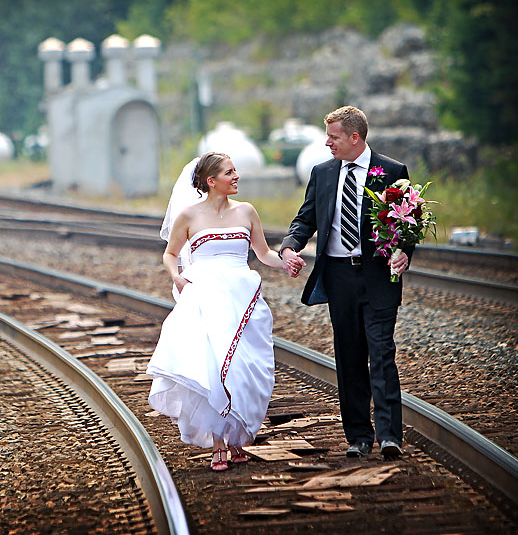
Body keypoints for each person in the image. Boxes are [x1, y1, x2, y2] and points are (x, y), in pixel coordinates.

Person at [146, 152, 301, 471]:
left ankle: (238, 434)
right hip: (205, 296)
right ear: (210, 181)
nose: (236, 176)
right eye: (229, 172)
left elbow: (263, 253)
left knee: (245, 368)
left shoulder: (247, 212)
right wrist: (177, 276)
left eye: (235, 170)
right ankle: (218, 442)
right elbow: (170, 253)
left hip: (243, 296)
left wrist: (284, 261)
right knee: (215, 367)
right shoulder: (188, 216)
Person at [279, 105, 411, 460]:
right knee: (349, 356)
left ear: (355, 138)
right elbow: (305, 219)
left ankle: (389, 436)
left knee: (382, 354)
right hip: (339, 277)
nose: (327, 143)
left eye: (333, 137)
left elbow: (407, 224)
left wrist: (405, 252)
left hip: (379, 277)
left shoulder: (392, 172)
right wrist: (290, 246)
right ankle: (358, 436)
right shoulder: (322, 173)